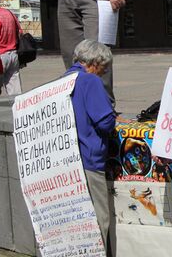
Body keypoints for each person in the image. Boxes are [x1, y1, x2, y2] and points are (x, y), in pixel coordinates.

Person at [65, 39, 116, 249]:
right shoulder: (90, 81)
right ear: (94, 62)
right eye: (103, 69)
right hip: (89, 161)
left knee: (77, 223)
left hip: (68, 161)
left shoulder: (63, 79)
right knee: (98, 220)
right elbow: (105, 122)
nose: (103, 74)